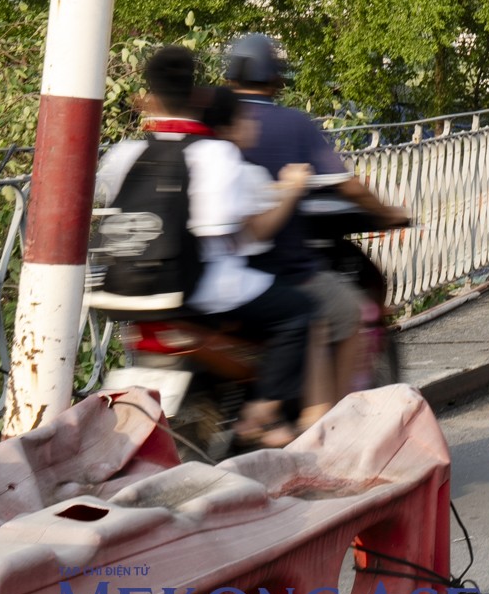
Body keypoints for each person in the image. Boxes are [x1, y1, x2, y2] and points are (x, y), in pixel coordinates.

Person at [95, 48, 321, 447]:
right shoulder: (215, 153)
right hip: (201, 289)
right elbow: (230, 233)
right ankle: (262, 414)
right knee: (298, 312)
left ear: (147, 97)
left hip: (126, 293)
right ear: (197, 94)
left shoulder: (123, 154)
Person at [223, 33, 406, 421]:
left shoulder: (214, 122)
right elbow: (345, 183)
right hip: (281, 269)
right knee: (347, 311)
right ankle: (331, 424)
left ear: (228, 77)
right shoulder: (293, 123)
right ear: (275, 80)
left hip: (216, 271)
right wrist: (386, 212)